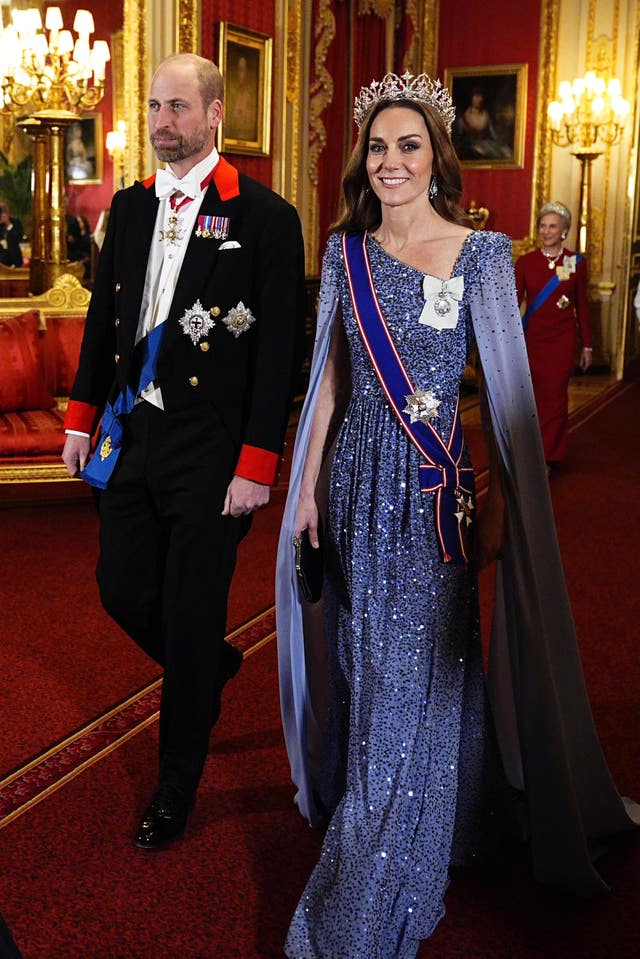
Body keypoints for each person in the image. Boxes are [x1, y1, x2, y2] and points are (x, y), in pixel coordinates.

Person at [276, 72, 638, 958]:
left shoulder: (480, 254)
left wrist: (512, 501)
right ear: (363, 162)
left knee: (428, 656)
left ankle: (377, 860)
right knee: (371, 657)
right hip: (357, 484)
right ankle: (460, 801)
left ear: (438, 154)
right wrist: (306, 490)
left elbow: (511, 397)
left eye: (410, 144)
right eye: (378, 147)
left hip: (435, 489)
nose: (392, 161)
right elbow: (326, 385)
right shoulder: (345, 253)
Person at [62, 52, 305, 849]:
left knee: (192, 607)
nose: (163, 121)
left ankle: (175, 786)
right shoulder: (129, 210)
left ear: (213, 114)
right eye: (155, 106)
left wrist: (256, 463)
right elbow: (106, 320)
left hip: (212, 446)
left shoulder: (264, 217)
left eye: (178, 107)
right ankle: (209, 668)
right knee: (120, 587)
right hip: (131, 434)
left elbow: (279, 356)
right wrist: (79, 418)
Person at [515, 201, 592, 470]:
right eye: (542, 226)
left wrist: (588, 347)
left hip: (561, 341)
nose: (546, 231)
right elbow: (514, 303)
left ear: (564, 231)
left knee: (555, 397)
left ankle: (549, 455)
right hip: (532, 340)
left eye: (552, 226)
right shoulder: (526, 262)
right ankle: (530, 452)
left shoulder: (575, 263)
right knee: (532, 397)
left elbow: (582, 304)